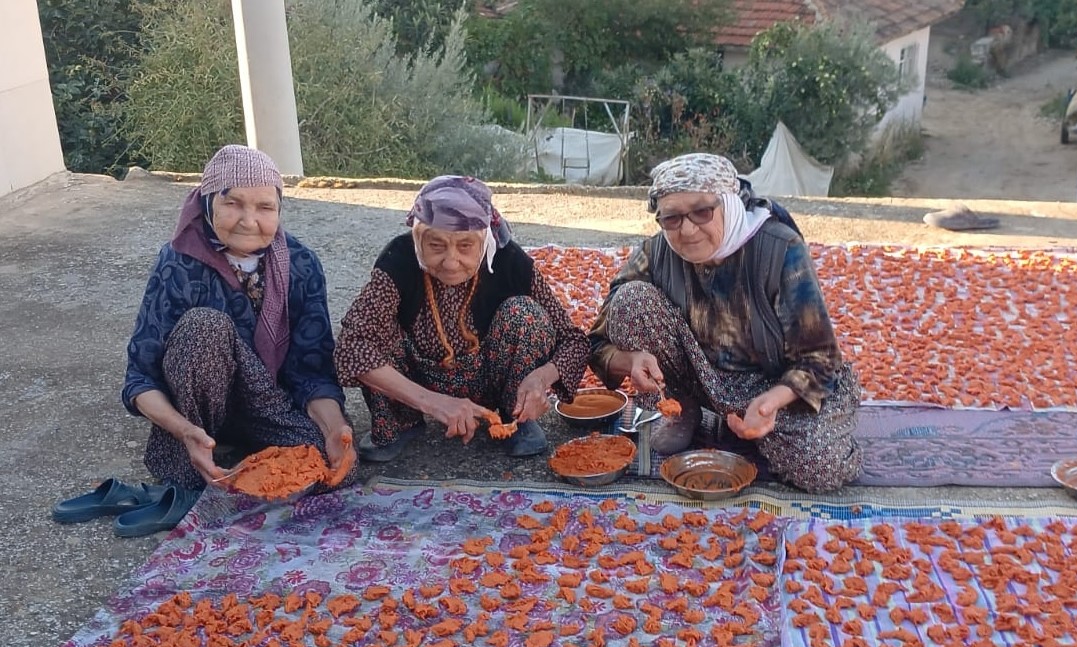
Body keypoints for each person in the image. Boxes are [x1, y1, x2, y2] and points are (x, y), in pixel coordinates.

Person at [588, 153, 861, 493]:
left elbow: (820, 358)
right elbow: (596, 342)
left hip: (774, 385)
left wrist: (771, 403)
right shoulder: (656, 253)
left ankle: (758, 429)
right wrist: (630, 361)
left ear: (731, 203)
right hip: (705, 380)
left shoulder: (779, 250)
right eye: (671, 218)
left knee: (821, 467)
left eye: (702, 212)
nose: (687, 230)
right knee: (631, 300)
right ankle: (683, 410)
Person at [122, 145, 354, 523]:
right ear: (208, 202)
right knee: (205, 327)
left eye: (265, 207)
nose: (249, 221)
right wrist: (184, 430)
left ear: (279, 210)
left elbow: (311, 372)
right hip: (193, 412)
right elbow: (139, 380)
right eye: (233, 204)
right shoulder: (179, 263)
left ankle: (241, 451)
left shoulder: (302, 264)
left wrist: (335, 428)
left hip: (267, 403)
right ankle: (194, 456)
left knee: (328, 466)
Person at [334, 175, 589, 462]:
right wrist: (433, 402)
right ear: (418, 239)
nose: (451, 262)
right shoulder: (399, 259)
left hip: (490, 378)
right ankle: (399, 421)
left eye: (466, 246)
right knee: (374, 327)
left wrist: (540, 379)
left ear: (485, 241)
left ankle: (513, 416)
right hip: (415, 378)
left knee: (526, 315)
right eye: (436, 246)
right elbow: (351, 347)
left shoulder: (509, 262)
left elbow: (575, 341)